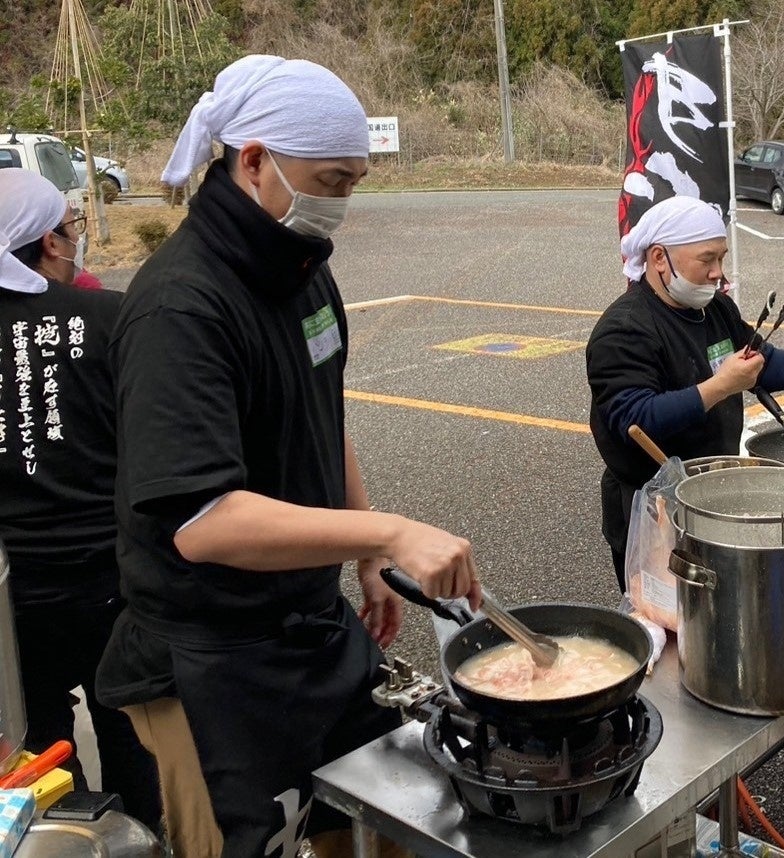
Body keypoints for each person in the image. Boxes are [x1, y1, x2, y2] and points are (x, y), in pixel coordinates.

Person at [94, 55, 480, 858]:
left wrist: (368, 558)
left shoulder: (301, 268)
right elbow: (204, 521)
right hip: (211, 659)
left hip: (310, 625)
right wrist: (388, 533)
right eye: (331, 181)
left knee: (376, 820)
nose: (342, 203)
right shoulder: (180, 307)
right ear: (254, 161)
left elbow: (320, 415)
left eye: (354, 183)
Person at [0, 168, 161, 830]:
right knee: (129, 727)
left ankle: (64, 838)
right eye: (71, 227)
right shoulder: (111, 316)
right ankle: (140, 836)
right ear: (49, 241)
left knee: (37, 746)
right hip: (114, 579)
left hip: (13, 600)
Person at [586, 195, 784, 590]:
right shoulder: (624, 329)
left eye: (721, 258)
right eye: (707, 260)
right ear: (659, 258)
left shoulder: (715, 309)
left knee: (723, 606)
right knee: (663, 614)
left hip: (712, 494)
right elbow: (634, 421)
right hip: (650, 506)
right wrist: (720, 386)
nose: (718, 273)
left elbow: (758, 360)